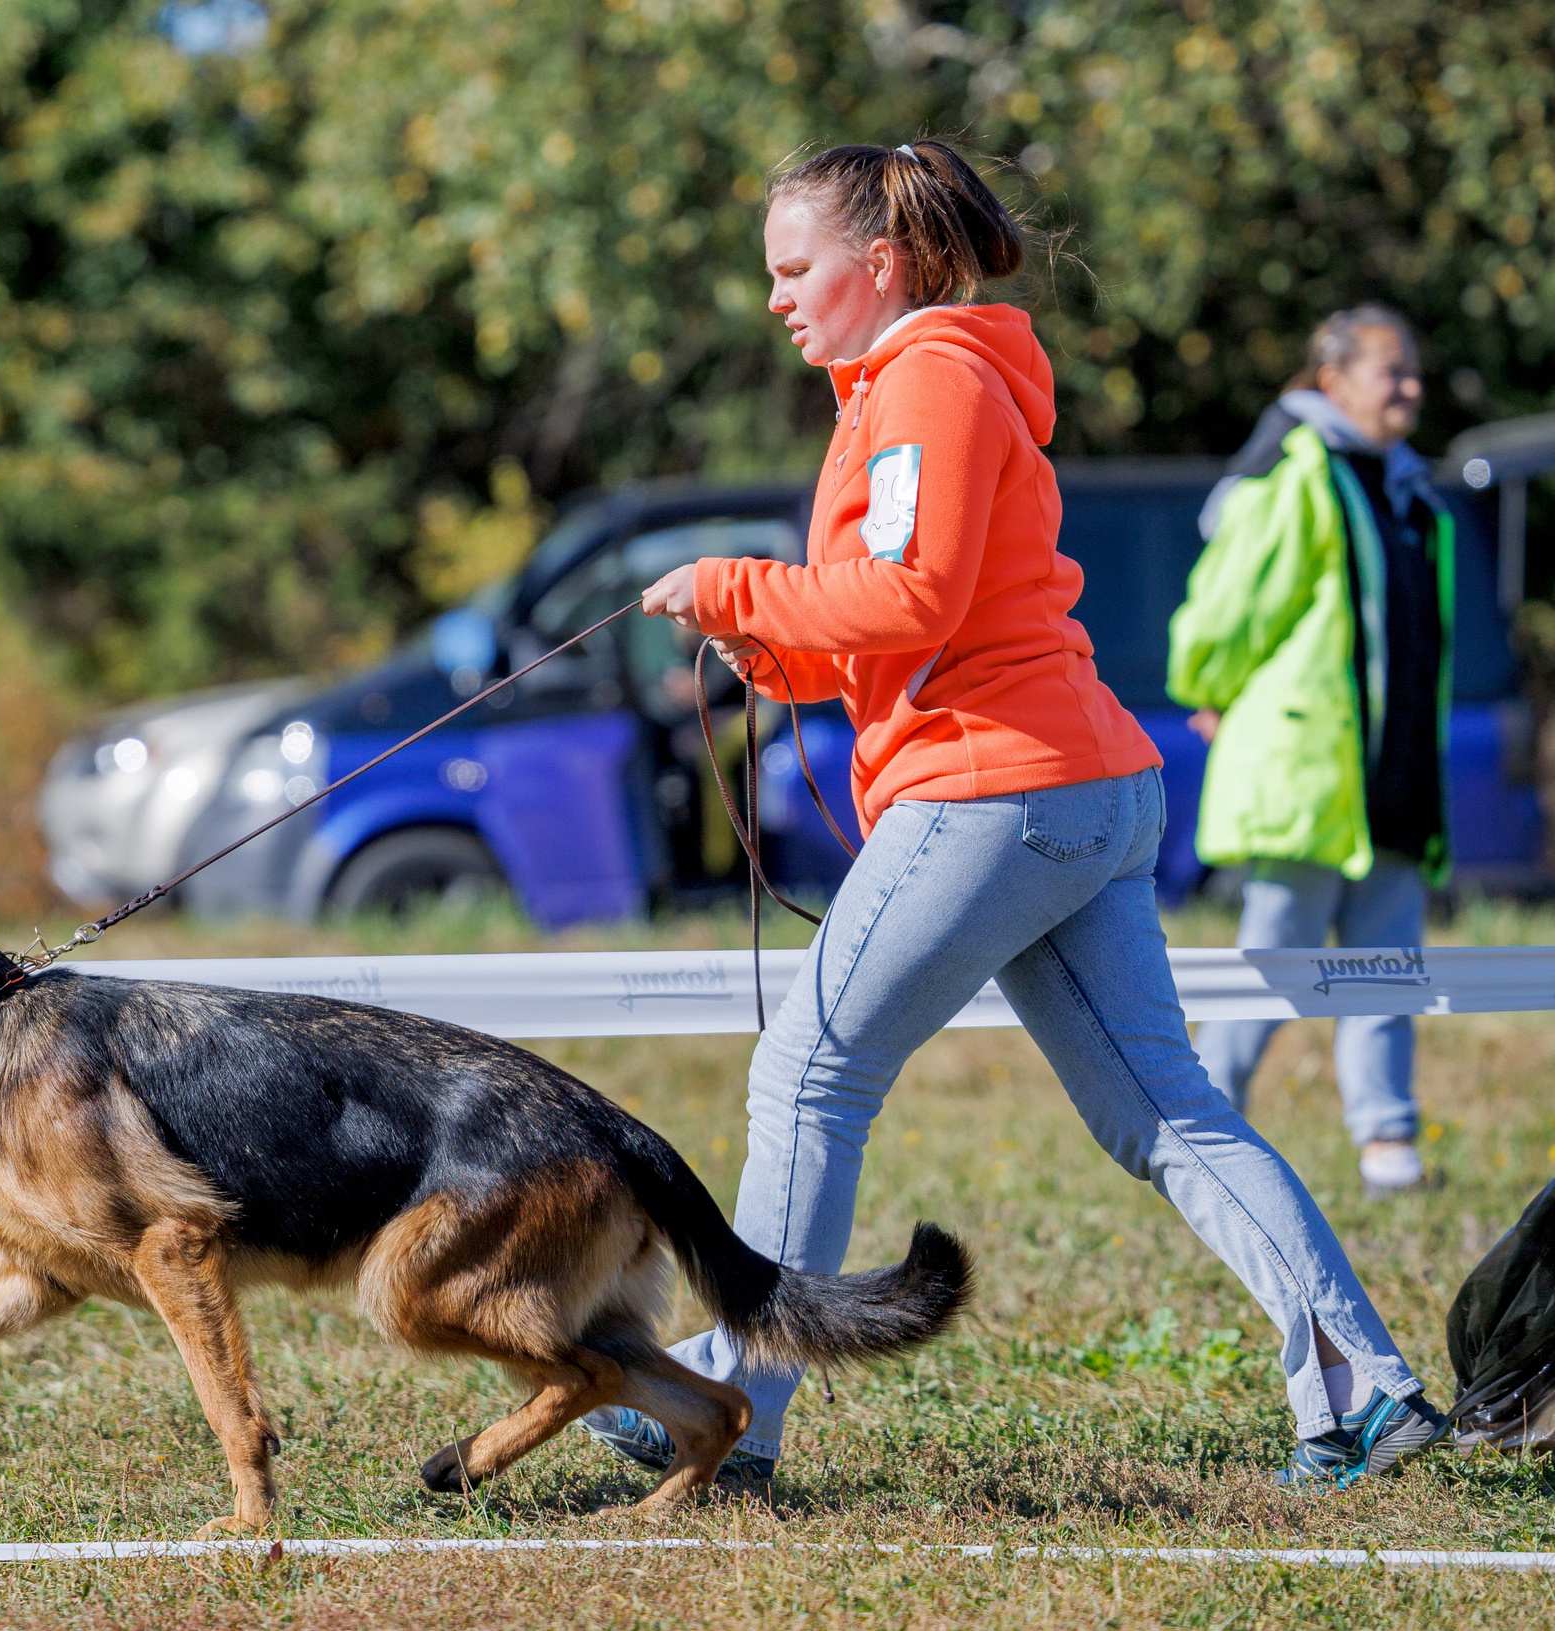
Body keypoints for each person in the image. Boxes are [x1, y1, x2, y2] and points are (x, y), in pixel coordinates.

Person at [580, 141, 1445, 1493]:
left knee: (809, 1072)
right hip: (1079, 787)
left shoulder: (927, 378)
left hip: (1003, 789)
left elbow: (912, 595)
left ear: (877, 264)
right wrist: (779, 651)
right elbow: (907, 614)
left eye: (793, 269)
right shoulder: (917, 381)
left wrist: (741, 585)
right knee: (1166, 1112)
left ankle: (731, 1413)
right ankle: (1370, 1390)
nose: (776, 299)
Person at [1167, 309, 1449, 1195]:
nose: (1408, 388)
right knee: (1274, 961)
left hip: (1391, 776)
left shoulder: (1410, 490)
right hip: (1308, 777)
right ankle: (1204, 1120)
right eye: (1389, 371)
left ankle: (1387, 1144)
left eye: (1412, 373)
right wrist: (1206, 685)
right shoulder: (1298, 474)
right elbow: (1231, 602)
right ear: (1332, 378)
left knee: (1386, 966)